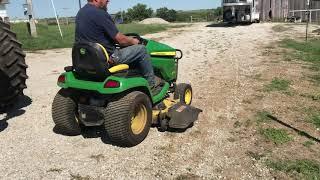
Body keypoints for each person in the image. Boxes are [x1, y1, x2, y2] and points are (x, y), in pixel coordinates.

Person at [75, 0, 160, 94]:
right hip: (108, 59)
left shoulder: (81, 13)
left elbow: (98, 36)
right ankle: (152, 86)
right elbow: (120, 40)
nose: (108, 0)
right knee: (142, 50)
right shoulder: (100, 13)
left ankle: (135, 74)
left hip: (88, 60)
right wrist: (134, 41)